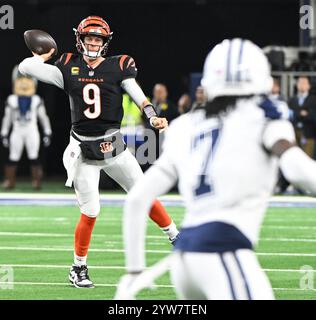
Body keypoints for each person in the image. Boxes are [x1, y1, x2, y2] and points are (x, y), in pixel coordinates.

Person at [116, 39, 316, 300]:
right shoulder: (266, 119)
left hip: (184, 260)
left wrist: (133, 271)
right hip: (223, 251)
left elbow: (137, 199)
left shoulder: (186, 125)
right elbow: (298, 170)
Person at [19, 15, 179, 288]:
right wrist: (44, 55)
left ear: (105, 42)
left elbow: (136, 92)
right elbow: (25, 67)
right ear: (80, 40)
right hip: (84, 149)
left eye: (98, 39)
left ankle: (177, 237)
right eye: (89, 38)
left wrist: (152, 116)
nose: (93, 43)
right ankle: (77, 268)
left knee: (143, 192)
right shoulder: (67, 66)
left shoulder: (119, 65)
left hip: (114, 146)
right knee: (91, 211)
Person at [1, 66, 52, 190]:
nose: (24, 83)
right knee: (13, 156)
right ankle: (9, 181)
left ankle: (36, 181)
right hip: (17, 130)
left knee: (33, 155)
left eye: (27, 79)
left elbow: (43, 117)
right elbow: (7, 118)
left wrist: (47, 131)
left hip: (31, 130)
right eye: (20, 79)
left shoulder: (36, 100)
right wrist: (4, 133)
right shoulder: (12, 100)